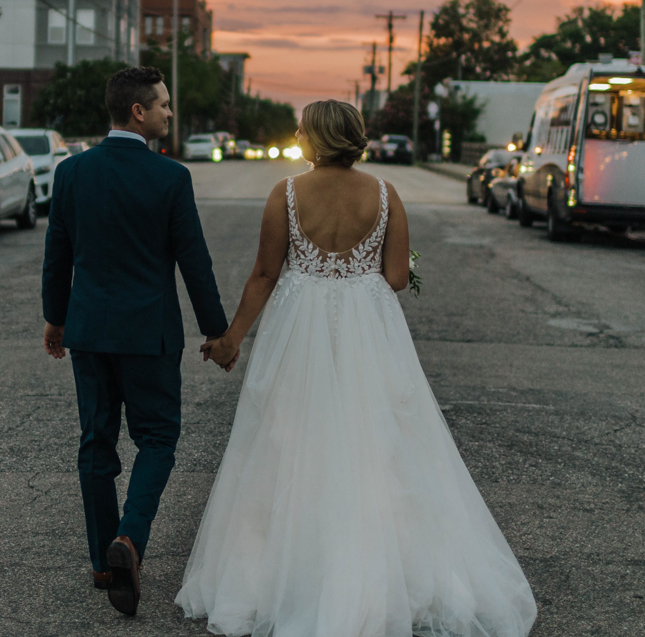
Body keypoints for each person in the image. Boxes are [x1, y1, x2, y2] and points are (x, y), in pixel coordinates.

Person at [177, 99, 538, 637]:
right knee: (380, 443)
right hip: (370, 332)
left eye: (302, 128)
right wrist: (361, 270)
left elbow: (263, 274)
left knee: (291, 441)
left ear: (316, 139)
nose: (297, 134)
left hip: (299, 330)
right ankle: (381, 575)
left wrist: (231, 340)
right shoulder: (386, 195)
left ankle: (286, 575)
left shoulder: (287, 194)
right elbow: (395, 276)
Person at [42, 65, 230, 617]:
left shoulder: (72, 173)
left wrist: (56, 319)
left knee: (96, 442)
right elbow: (194, 261)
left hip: (91, 331)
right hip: (149, 333)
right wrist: (216, 331)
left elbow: (58, 254)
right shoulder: (170, 178)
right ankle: (130, 539)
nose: (171, 112)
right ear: (138, 112)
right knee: (157, 440)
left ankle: (104, 563)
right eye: (164, 104)